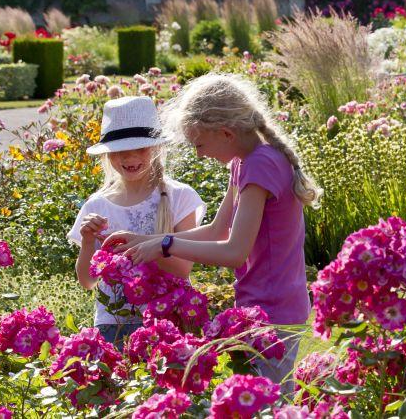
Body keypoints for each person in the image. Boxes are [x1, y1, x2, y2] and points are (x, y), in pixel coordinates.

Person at [104, 74, 321, 389]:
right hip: (260, 306)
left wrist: (165, 245)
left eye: (200, 144)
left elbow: (234, 252)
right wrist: (149, 241)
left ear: (226, 132)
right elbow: (219, 229)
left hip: (275, 311)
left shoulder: (260, 165)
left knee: (269, 406)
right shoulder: (244, 161)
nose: (200, 154)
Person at [69, 96, 205, 347]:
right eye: (120, 150)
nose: (130, 158)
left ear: (156, 149)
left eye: (140, 148)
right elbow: (88, 281)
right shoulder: (97, 205)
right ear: (108, 155)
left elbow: (183, 268)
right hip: (113, 323)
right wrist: (88, 242)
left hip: (167, 319)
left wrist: (135, 249)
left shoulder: (179, 197)